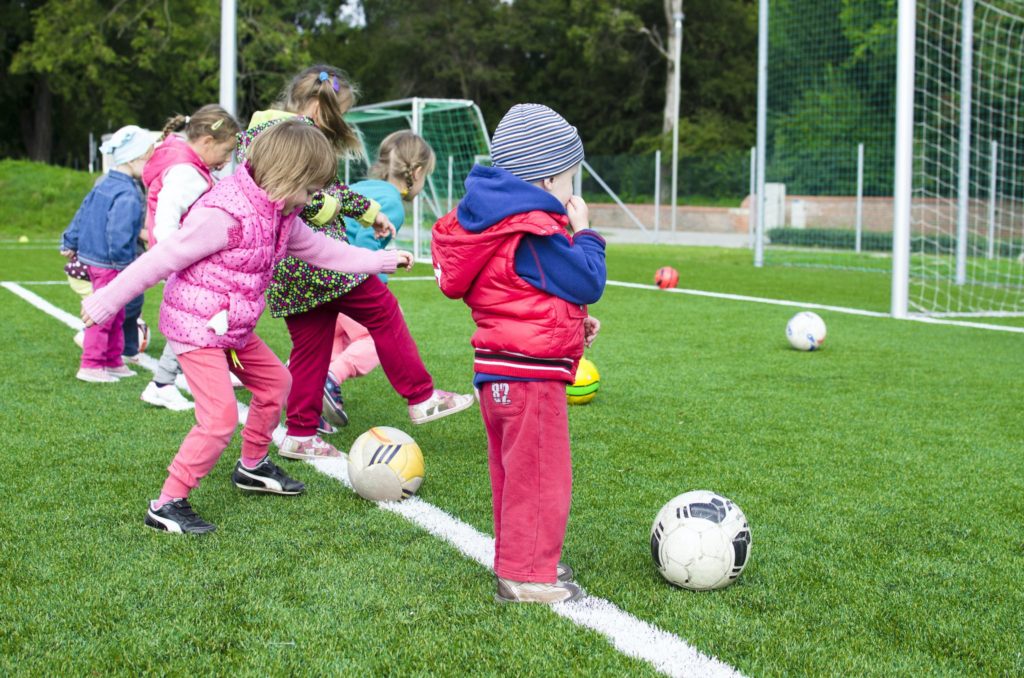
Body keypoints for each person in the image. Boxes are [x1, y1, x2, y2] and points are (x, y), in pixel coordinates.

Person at [80, 120, 413, 534]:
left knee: (277, 384)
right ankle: (167, 503)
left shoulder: (281, 213)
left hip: (232, 328)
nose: (313, 200)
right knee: (219, 419)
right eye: (310, 191)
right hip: (197, 327)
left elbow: (321, 250)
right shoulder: (223, 214)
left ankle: (252, 466)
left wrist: (380, 260)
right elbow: (162, 258)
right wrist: (106, 301)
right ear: (287, 177)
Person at [238, 65, 472, 460]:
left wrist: (369, 213)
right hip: (318, 261)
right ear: (317, 106)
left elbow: (329, 188)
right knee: (383, 311)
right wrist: (339, 214)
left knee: (311, 348)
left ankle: (299, 433)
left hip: (289, 270)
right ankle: (421, 396)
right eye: (338, 114)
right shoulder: (289, 135)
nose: (339, 123)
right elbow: (302, 197)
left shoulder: (264, 130)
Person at [431, 104, 607, 604]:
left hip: (500, 372)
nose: (574, 192)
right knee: (540, 476)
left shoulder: (496, 224)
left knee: (514, 475)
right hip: (529, 379)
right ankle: (527, 575)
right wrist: (586, 232)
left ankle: (521, 557)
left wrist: (572, 324)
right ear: (548, 177)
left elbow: (520, 294)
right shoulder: (532, 230)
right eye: (571, 178)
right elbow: (587, 278)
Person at [321, 131, 438, 427]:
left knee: (331, 342)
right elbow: (363, 249)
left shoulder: (361, 186)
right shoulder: (393, 204)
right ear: (418, 172)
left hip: (317, 277)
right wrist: (378, 292)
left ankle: (306, 394)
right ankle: (331, 378)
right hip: (342, 280)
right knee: (376, 336)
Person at [138, 104, 242, 412]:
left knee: (201, 317)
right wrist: (175, 257)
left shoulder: (187, 165)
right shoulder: (187, 173)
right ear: (207, 143)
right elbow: (167, 219)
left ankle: (170, 380)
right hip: (184, 261)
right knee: (195, 320)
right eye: (225, 152)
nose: (226, 163)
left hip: (184, 259)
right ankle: (162, 383)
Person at [61, 125, 154, 383]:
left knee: (117, 312)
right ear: (134, 159)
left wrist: (70, 239)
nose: (150, 165)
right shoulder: (127, 192)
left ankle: (113, 360)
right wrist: (125, 266)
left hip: (98, 258)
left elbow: (83, 211)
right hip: (110, 263)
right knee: (104, 313)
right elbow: (118, 232)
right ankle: (91, 364)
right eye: (148, 158)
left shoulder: (105, 183)